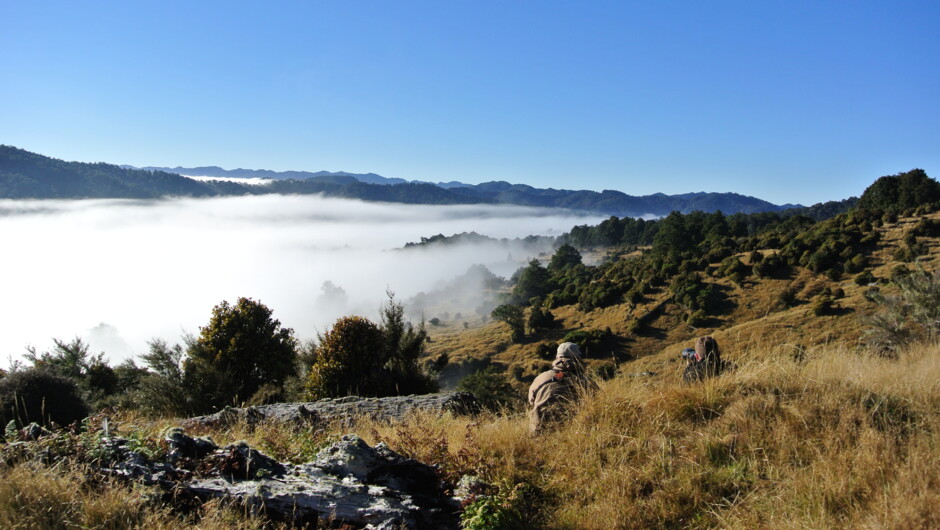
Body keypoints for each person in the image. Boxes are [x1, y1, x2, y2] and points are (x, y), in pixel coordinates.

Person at [527, 342, 596, 434]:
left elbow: (531, 401)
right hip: (567, 433)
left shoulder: (541, 377)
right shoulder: (583, 380)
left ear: (557, 357)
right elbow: (597, 401)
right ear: (578, 358)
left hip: (537, 430)